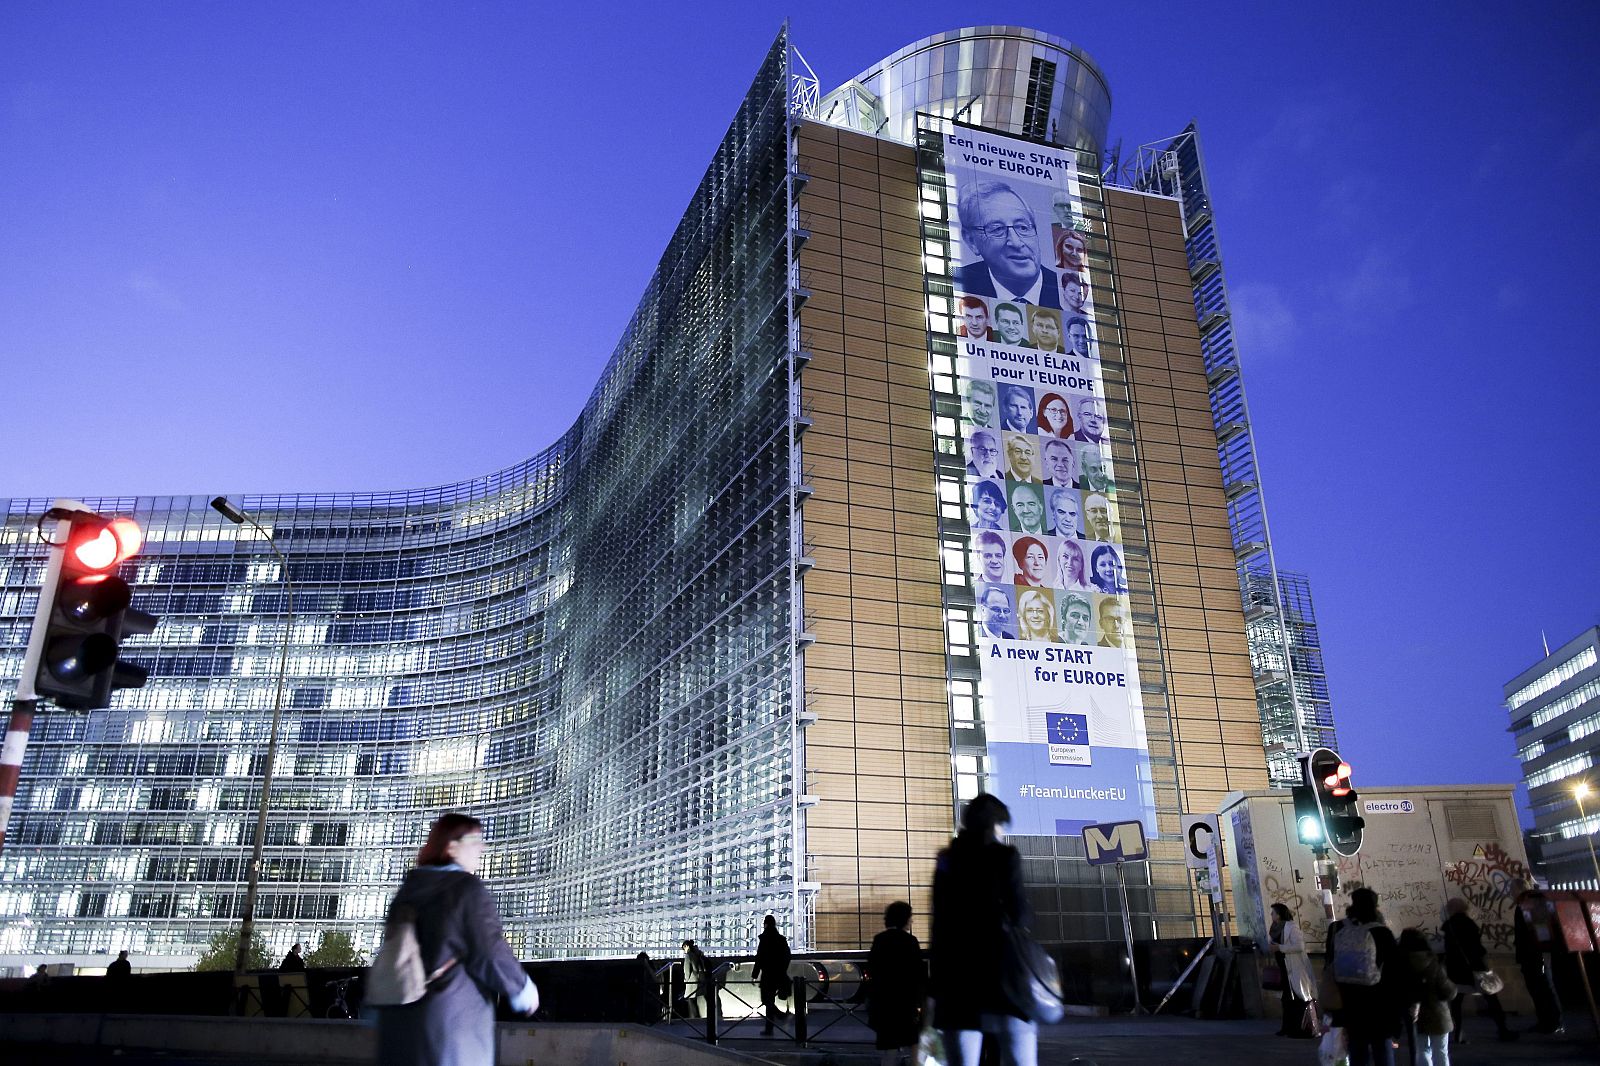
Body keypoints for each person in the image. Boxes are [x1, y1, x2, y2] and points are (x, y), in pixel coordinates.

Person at [375, 813, 538, 1066]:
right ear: (451, 846)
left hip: (399, 1022)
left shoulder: (407, 892)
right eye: (474, 840)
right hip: (450, 1025)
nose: (481, 847)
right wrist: (522, 990)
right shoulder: (465, 889)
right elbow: (490, 951)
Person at [930, 793, 1036, 1066]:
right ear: (994, 825)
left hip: (958, 982)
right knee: (1018, 1055)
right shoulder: (1005, 857)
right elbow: (1019, 915)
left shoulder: (946, 859)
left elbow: (939, 923)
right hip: (1002, 977)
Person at [955, 180, 1062, 308]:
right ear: (971, 241)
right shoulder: (960, 283)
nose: (1016, 243)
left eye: (1022, 227)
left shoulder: (1066, 290)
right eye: (997, 229)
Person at [1325, 886, 1399, 1066]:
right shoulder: (1382, 932)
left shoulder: (1336, 928)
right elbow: (1394, 972)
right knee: (1382, 1048)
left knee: (1357, 1050)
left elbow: (1329, 963)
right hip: (1378, 1002)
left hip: (1348, 1001)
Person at [1440, 898, 1516, 1043]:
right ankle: (1502, 1029)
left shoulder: (1448, 926)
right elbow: (1477, 948)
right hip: (1475, 967)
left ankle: (1458, 1032)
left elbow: (1449, 950)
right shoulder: (1470, 924)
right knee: (1491, 998)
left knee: (1456, 1003)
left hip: (1456, 970)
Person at [867, 900, 926, 1066]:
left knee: (889, 1048)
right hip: (905, 1001)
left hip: (884, 1002)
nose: (911, 921)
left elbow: (872, 968)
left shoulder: (880, 940)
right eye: (910, 917)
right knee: (914, 1043)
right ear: (904, 919)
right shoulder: (910, 941)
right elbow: (919, 972)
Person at [1397, 927, 1456, 1066]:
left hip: (1415, 1016)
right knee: (1440, 1051)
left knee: (1422, 1050)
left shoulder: (1400, 963)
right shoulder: (1433, 963)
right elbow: (1448, 991)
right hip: (1438, 1014)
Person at [1513, 882, 1563, 1033]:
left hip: (1534, 954)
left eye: (1512, 890)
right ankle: (1548, 1021)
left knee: (1542, 989)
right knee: (1540, 989)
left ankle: (1553, 1022)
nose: (1510, 893)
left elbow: (1535, 929)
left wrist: (1539, 950)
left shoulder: (1529, 904)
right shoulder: (1531, 903)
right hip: (1535, 953)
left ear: (1519, 889)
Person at [1268, 903, 1315, 1038]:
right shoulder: (1274, 928)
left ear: (1279, 914)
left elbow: (1299, 946)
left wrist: (1280, 948)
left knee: (1297, 997)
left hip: (1293, 967)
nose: (1271, 915)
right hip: (1283, 967)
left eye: (1273, 913)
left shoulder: (1291, 927)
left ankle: (1300, 1027)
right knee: (1287, 998)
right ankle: (1287, 1027)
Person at [751, 914, 792, 1036]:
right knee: (769, 1000)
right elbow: (787, 956)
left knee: (766, 1000)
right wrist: (782, 969)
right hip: (778, 974)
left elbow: (759, 958)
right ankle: (772, 1025)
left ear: (766, 924)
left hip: (767, 975)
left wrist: (754, 974)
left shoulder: (765, 939)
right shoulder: (781, 939)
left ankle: (776, 1019)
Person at [681, 939, 710, 1020]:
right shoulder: (697, 954)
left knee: (690, 1000)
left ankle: (693, 1018)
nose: (684, 950)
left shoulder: (688, 955)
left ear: (686, 946)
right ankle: (700, 1016)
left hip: (691, 981)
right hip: (699, 979)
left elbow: (687, 971)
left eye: (684, 948)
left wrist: (686, 980)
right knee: (698, 999)